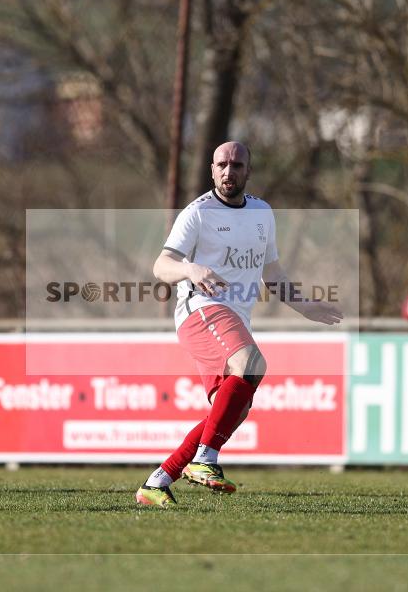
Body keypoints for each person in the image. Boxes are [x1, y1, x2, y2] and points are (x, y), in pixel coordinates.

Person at [134, 141, 343, 507]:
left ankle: (158, 480)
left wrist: (303, 305)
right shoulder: (197, 214)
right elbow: (161, 265)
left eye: (236, 165)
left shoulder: (261, 213)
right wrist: (190, 268)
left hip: (232, 316)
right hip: (200, 309)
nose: (228, 171)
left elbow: (272, 271)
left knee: (233, 410)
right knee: (252, 363)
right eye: (221, 165)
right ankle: (204, 461)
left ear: (248, 170)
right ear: (212, 170)